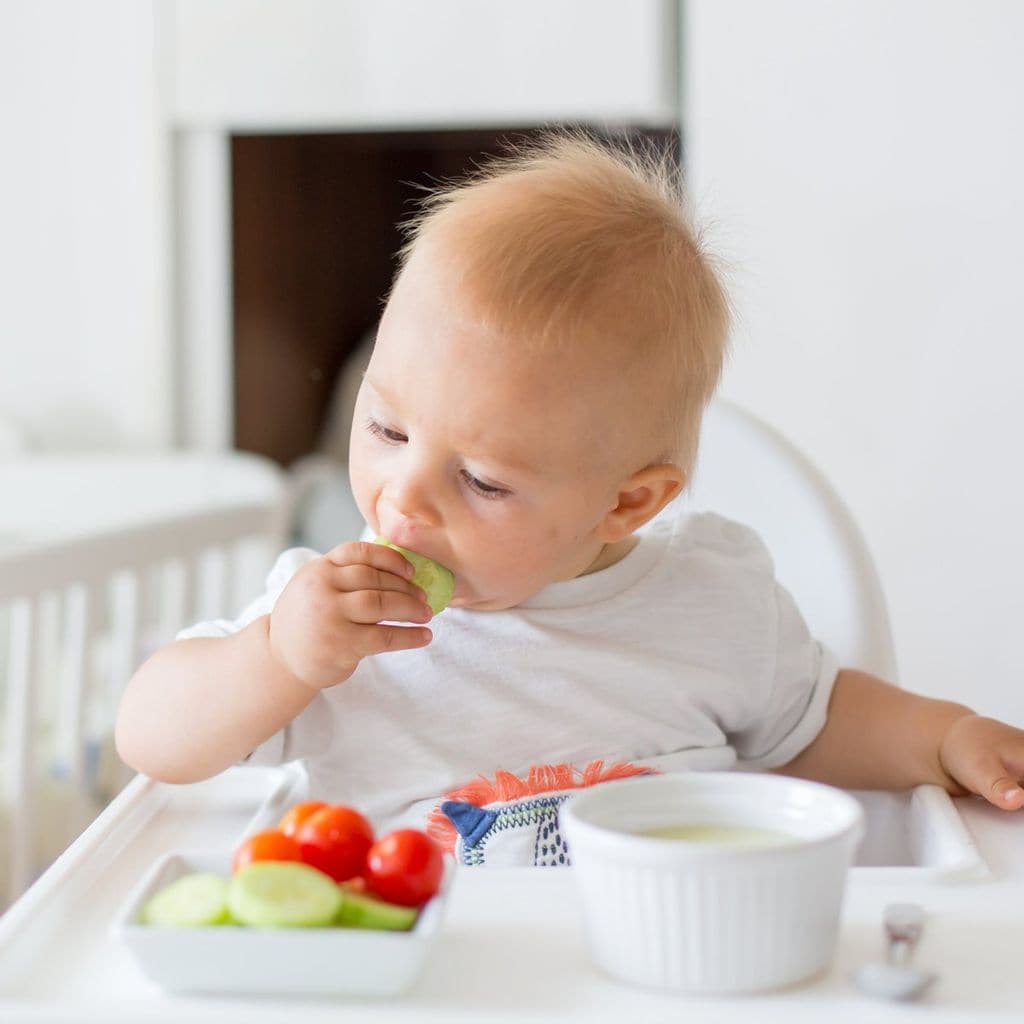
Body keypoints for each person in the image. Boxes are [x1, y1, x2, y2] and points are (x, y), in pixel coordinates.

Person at [115, 131, 1024, 863]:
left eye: (481, 481)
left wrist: (945, 737)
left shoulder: (712, 602)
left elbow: (816, 721)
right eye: (388, 431)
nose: (405, 496)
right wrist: (275, 659)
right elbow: (152, 738)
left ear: (627, 505)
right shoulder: (334, 624)